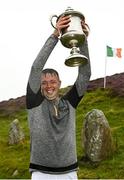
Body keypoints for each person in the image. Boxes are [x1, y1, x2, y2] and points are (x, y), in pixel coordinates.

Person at [26, 15, 91, 180]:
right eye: (44, 83)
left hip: (69, 173)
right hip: (41, 174)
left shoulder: (69, 103)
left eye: (53, 82)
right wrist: (55, 34)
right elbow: (36, 67)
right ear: (39, 86)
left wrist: (82, 41)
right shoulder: (34, 102)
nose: (49, 86)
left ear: (59, 83)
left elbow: (85, 74)